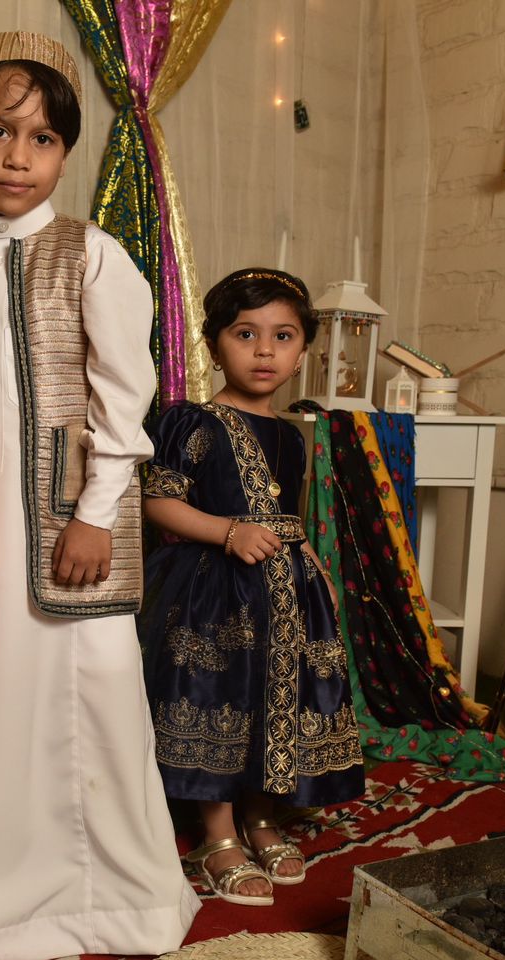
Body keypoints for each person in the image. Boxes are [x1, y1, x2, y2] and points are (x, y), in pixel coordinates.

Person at [0, 30, 199, 960]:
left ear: (65, 154)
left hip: (72, 526)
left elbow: (125, 398)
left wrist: (92, 515)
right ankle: (0, 908)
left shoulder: (93, 254)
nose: (17, 157)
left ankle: (129, 902)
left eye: (41, 139)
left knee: (97, 706)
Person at [138, 269, 365, 906]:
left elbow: (284, 514)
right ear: (214, 346)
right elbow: (159, 503)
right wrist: (228, 531)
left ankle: (261, 817)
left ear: (303, 352)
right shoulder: (191, 421)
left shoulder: (292, 436)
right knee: (221, 697)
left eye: (282, 336)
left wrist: (308, 562)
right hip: (214, 592)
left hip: (288, 591)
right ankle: (217, 834)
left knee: (276, 696)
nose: (264, 351)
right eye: (245, 334)